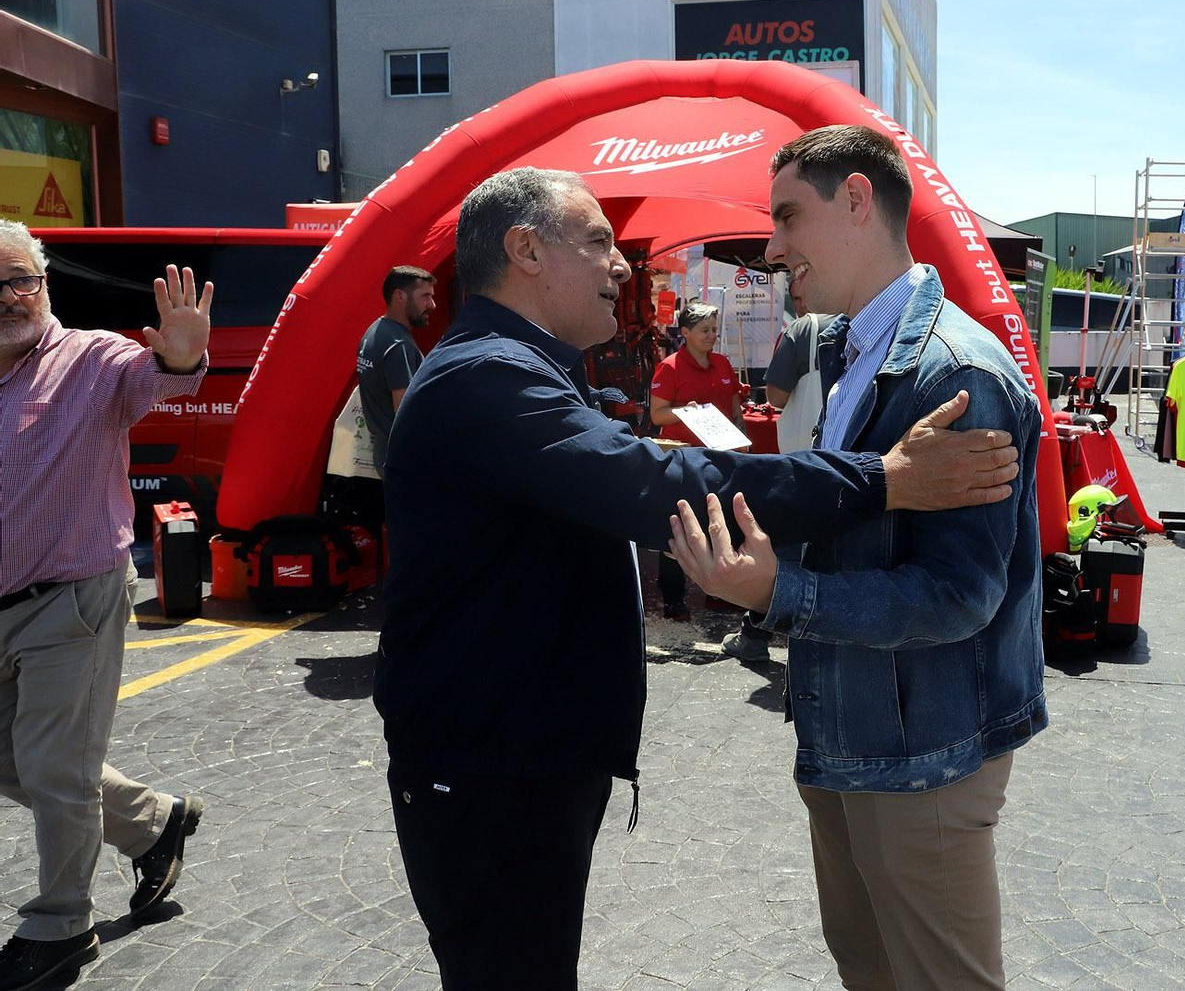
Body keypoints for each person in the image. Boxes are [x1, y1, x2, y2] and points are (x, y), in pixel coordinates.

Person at [376, 166, 1022, 991]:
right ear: (526, 250)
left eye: (788, 216)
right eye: (600, 241)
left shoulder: (516, 365)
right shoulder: (486, 374)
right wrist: (883, 479)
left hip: (516, 758)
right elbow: (655, 483)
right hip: (489, 769)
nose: (620, 265)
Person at [669, 125, 1047, 991]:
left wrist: (782, 590)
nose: (771, 248)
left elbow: (958, 594)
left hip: (924, 757)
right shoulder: (851, 351)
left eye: (786, 217)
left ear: (855, 200)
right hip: (853, 732)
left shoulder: (955, 371)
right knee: (867, 967)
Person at [0, 220, 211, 990]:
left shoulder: (91, 359)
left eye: (20, 279)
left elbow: (158, 376)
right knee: (19, 758)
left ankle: (60, 927)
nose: (8, 297)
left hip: (72, 601)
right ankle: (154, 822)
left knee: (55, 768)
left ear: (44, 282)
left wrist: (180, 354)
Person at [720, 308, 840, 661]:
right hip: (856, 462)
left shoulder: (806, 329)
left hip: (808, 460)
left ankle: (755, 636)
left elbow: (776, 396)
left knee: (786, 551)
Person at [648, 300, 743, 621]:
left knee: (720, 523)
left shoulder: (723, 363)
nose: (712, 335)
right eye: (705, 330)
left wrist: (742, 438)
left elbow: (735, 409)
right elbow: (657, 415)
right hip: (685, 460)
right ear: (685, 332)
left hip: (722, 457)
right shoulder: (670, 367)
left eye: (714, 329)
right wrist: (683, 412)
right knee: (679, 525)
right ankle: (674, 598)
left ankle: (719, 593)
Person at [356, 265, 436, 478]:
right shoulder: (398, 345)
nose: (432, 305)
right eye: (425, 296)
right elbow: (405, 412)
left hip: (385, 454)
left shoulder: (374, 331)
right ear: (400, 296)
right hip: (406, 459)